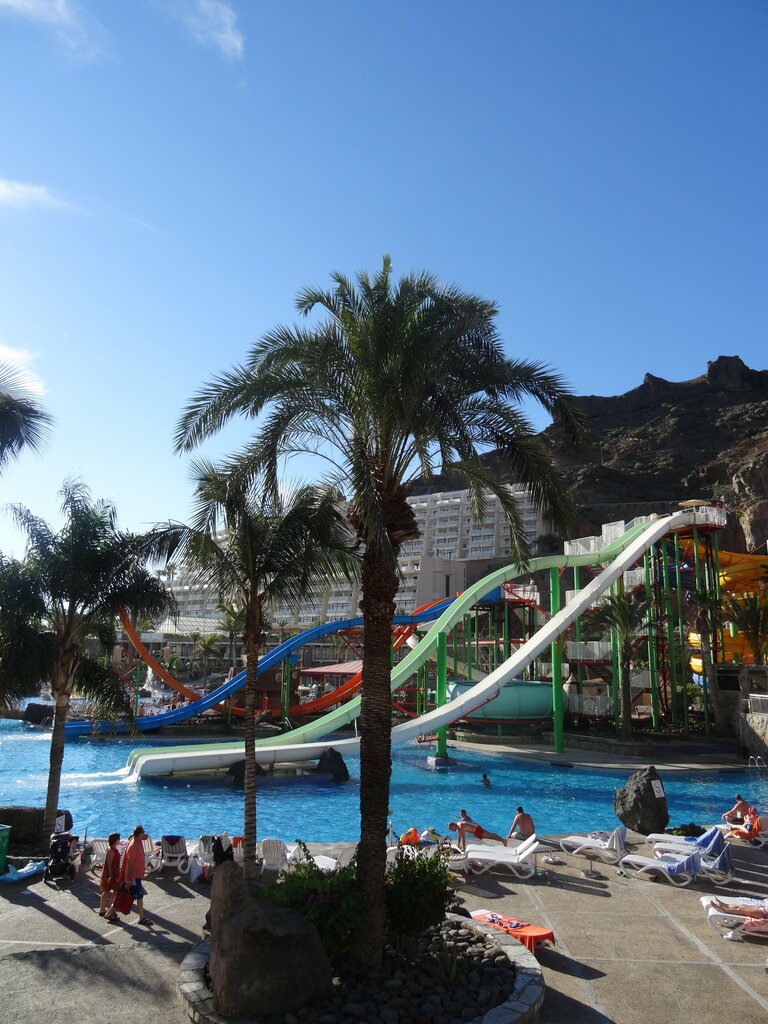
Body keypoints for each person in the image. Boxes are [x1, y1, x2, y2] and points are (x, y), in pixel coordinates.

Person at [105, 824, 153, 926]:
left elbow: (146, 836)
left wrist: (145, 835)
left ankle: (109, 913)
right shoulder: (133, 846)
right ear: (139, 834)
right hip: (133, 877)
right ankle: (141, 918)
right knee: (136, 897)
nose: (145, 834)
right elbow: (129, 865)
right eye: (143, 832)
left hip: (135, 876)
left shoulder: (137, 841)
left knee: (125, 896)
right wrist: (128, 880)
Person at [98, 832, 121, 916]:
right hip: (111, 874)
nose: (120, 840)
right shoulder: (111, 851)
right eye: (118, 839)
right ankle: (108, 909)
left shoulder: (111, 849)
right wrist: (111, 875)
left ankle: (103, 909)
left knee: (107, 891)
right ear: (115, 840)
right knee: (113, 891)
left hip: (112, 873)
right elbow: (110, 863)